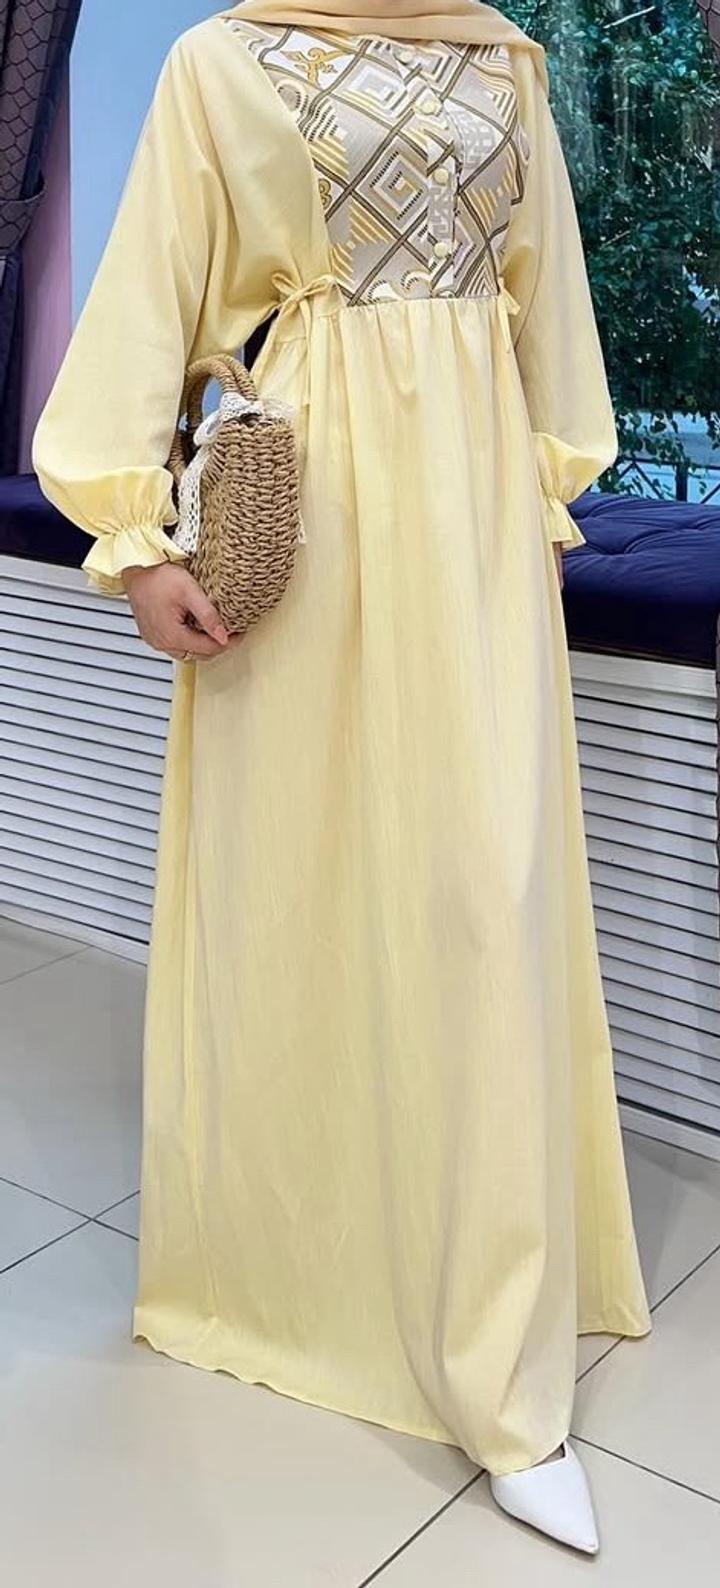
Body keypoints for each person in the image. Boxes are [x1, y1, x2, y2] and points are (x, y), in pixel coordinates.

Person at [32, 0, 650, 1554]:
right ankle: (306, 1270)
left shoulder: (502, 59)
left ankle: (499, 1346)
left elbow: (545, 304)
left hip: (476, 518)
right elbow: (151, 297)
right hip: (303, 520)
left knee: (484, 889)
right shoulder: (222, 59)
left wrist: (541, 496)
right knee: (302, 884)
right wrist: (137, 543)